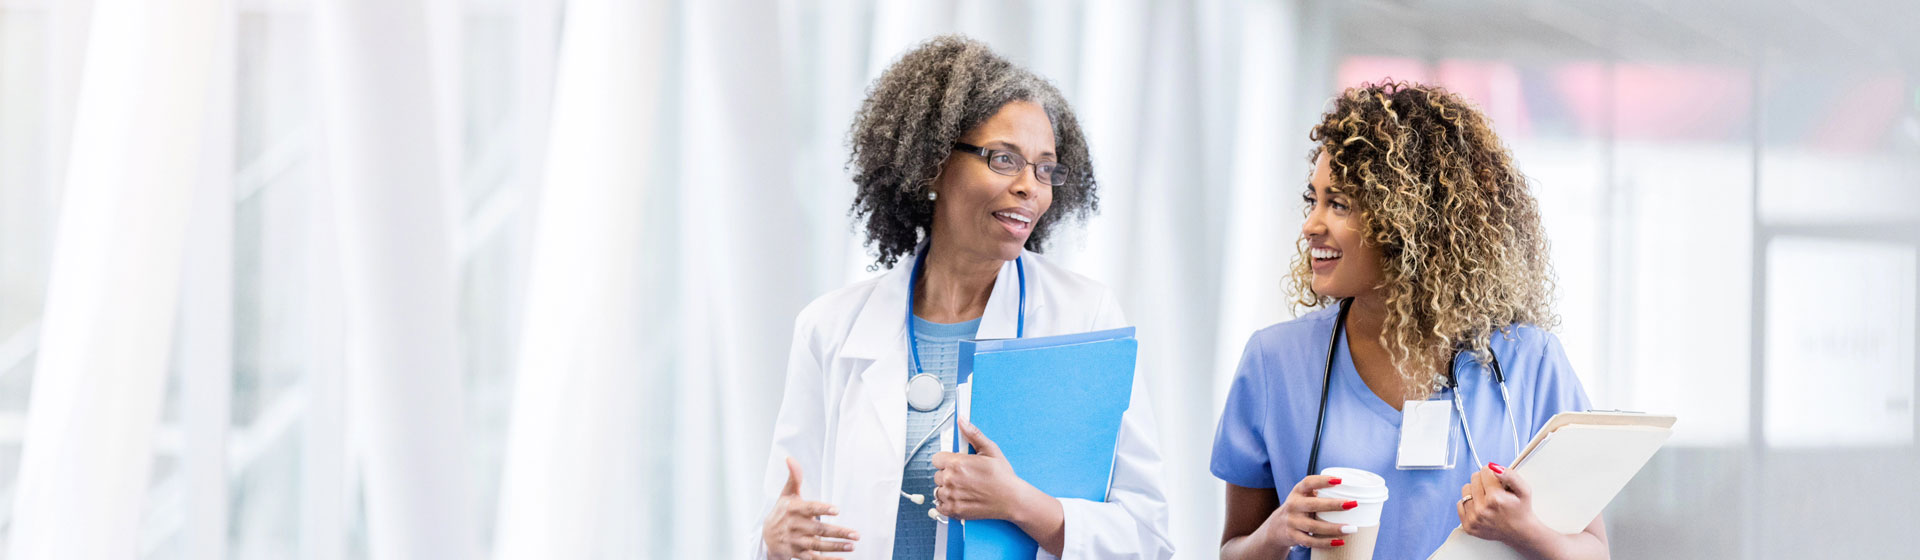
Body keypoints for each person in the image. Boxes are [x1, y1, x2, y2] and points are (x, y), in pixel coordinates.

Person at [753, 35, 1173, 560]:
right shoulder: (829, 328)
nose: (1031, 187)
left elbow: (1147, 539)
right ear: (932, 164)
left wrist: (1021, 504)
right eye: (1004, 159)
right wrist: (774, 542)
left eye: (1046, 169)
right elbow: (784, 521)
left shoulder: (1082, 317)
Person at [1213, 81, 1609, 560]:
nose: (1311, 224)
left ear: (1409, 220)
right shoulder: (1275, 362)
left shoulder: (1531, 362)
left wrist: (1525, 530)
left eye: (1338, 204)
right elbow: (1233, 549)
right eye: (1312, 199)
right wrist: (1277, 532)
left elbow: (1593, 551)